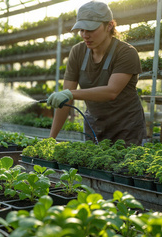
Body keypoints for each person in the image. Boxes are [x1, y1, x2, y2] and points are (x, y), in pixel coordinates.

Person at [46, 1, 147, 146]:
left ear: (109, 26)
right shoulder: (77, 52)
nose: (85, 35)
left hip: (127, 129)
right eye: (81, 30)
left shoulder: (126, 53)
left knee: (122, 168)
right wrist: (51, 139)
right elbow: (65, 101)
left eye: (91, 30)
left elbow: (111, 92)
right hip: (94, 127)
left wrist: (71, 93)